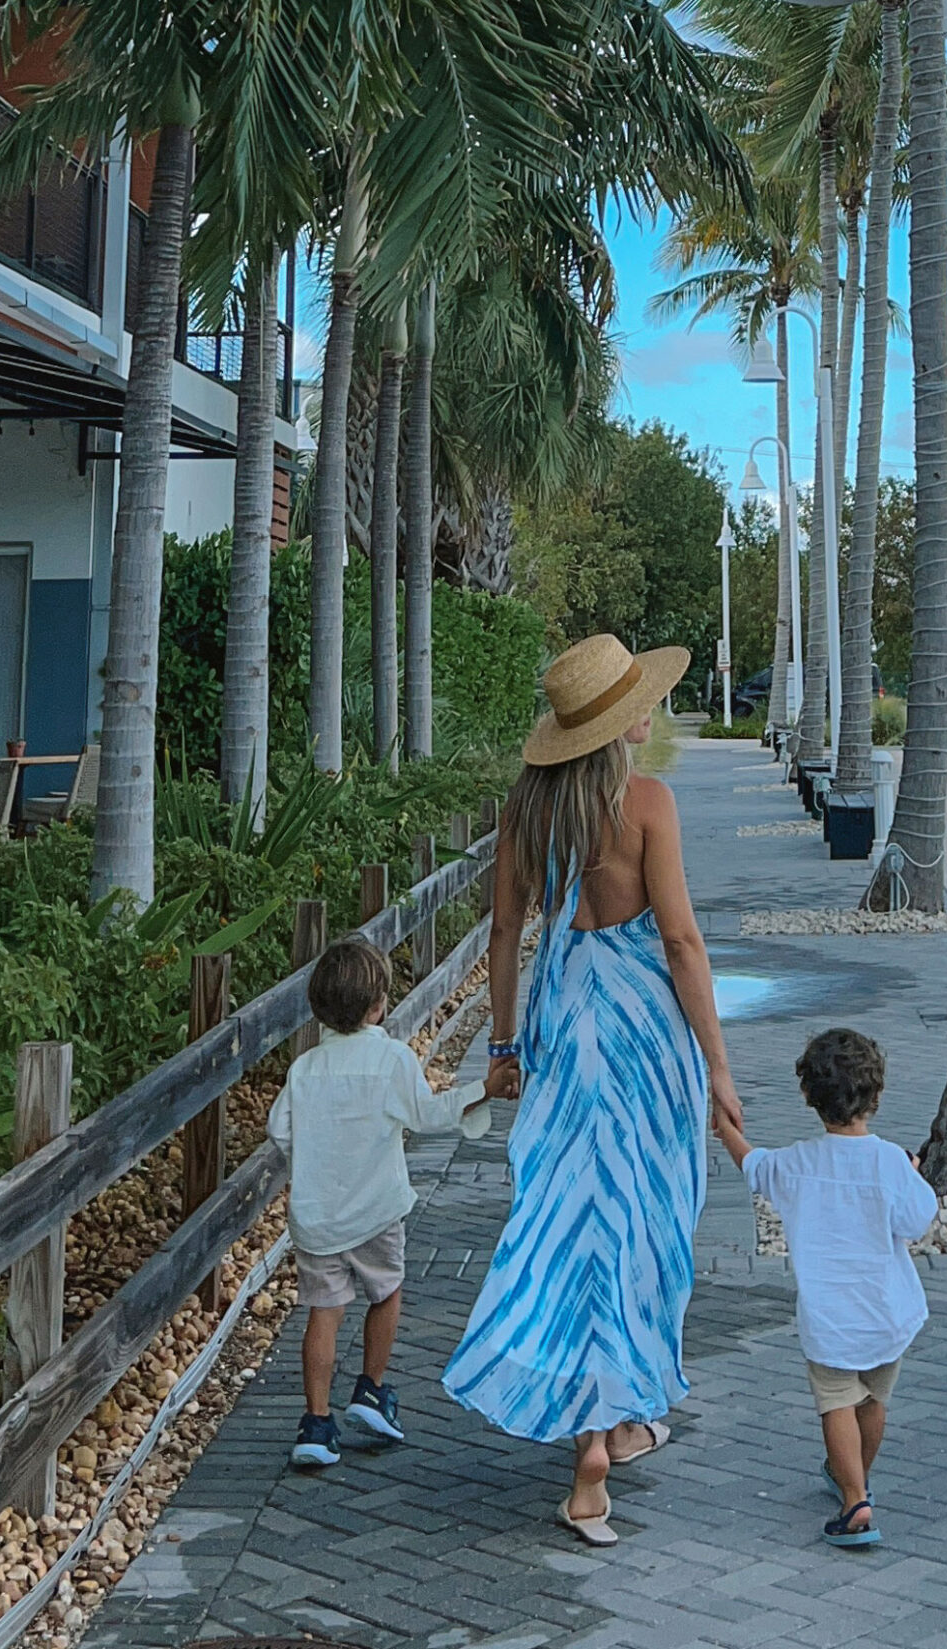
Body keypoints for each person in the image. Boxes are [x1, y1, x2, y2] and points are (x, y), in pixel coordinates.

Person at [444, 634, 742, 1547]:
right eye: (637, 701)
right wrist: (719, 1065)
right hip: (646, 1030)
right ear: (615, 724)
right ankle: (612, 1422)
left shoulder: (526, 810)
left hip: (565, 1020)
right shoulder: (647, 803)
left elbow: (504, 933)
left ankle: (594, 1441)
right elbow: (681, 942)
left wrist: (502, 1046)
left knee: (568, 1216)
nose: (648, 711)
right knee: (642, 1215)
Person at [711, 1029, 937, 1548]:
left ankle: (854, 1499)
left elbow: (753, 1166)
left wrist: (725, 1129)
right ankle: (855, 1478)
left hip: (830, 1317)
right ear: (877, 1094)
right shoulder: (890, 1162)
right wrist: (911, 1173)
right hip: (887, 1313)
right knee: (873, 1401)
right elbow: (915, 1221)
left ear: (808, 1095)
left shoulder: (797, 1163)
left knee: (836, 1402)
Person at [268, 935, 486, 1468]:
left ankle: (316, 1423)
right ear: (379, 1005)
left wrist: (312, 1159)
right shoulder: (391, 1060)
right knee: (385, 1292)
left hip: (318, 1220)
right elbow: (427, 1116)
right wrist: (479, 1091)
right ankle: (371, 1388)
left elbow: (279, 1130)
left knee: (323, 1312)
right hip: (377, 1211)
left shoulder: (304, 1070)